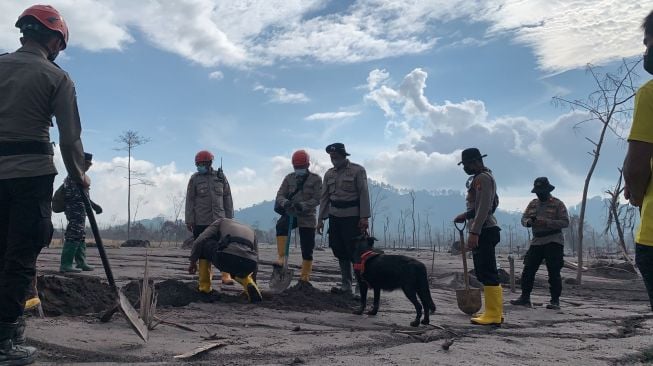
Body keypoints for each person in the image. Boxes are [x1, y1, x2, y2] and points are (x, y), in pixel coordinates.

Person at [0, 5, 87, 365]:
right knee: (20, 257)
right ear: (54, 39)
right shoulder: (57, 78)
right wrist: (79, 175)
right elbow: (69, 140)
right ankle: (5, 340)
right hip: (30, 175)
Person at [623, 9, 653, 312]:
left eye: (647, 43)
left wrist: (637, 194)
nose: (645, 52)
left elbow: (636, 167)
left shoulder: (650, 92)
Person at [453, 148, 502, 325]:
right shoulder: (483, 177)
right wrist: (466, 215)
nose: (464, 168)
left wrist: (474, 232)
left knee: (487, 271)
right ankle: (494, 311)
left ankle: (493, 314)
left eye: (465, 164)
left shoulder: (482, 178)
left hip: (485, 230)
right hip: (484, 228)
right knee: (485, 271)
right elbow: (481, 206)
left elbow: (484, 208)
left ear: (474, 162)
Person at [317, 143, 370, 295]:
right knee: (339, 250)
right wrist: (320, 220)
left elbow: (364, 194)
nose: (334, 160)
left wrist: (364, 217)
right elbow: (324, 197)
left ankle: (361, 287)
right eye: (332, 158)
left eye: (336, 157)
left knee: (356, 252)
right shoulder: (329, 174)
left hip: (352, 217)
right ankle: (346, 285)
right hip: (335, 217)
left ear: (343, 155)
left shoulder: (357, 171)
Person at [510, 177, 569, 310]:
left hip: (553, 240)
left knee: (553, 271)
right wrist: (529, 222)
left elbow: (565, 222)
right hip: (537, 241)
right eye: (537, 192)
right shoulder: (533, 204)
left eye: (541, 191)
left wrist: (547, 222)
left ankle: (555, 300)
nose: (539, 194)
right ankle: (525, 297)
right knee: (528, 269)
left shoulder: (558, 204)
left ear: (548, 190)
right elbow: (523, 219)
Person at [185, 150, 234, 293]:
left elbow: (227, 198)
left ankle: (226, 275)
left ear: (209, 163)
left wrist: (230, 218)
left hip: (220, 220)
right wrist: (189, 220)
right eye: (198, 164)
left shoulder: (220, 177)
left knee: (224, 248)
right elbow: (190, 200)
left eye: (202, 164)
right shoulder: (194, 179)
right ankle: (205, 284)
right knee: (202, 253)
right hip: (201, 222)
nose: (200, 166)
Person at [274, 150, 322, 285]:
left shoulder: (316, 179)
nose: (299, 169)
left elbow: (318, 198)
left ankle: (304, 278)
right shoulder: (289, 178)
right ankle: (281, 257)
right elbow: (279, 196)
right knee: (281, 225)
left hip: (307, 216)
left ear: (307, 165)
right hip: (291, 213)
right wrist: (286, 203)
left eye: (301, 167)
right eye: (296, 167)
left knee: (307, 247)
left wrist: (304, 205)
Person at [188, 218, 262, 303]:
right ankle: (249, 282)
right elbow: (257, 258)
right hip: (249, 262)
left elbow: (199, 240)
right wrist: (254, 280)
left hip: (227, 257)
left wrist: (192, 262)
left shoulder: (221, 221)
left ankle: (205, 288)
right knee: (237, 267)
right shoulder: (251, 230)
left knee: (205, 244)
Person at [59, 152, 102, 273]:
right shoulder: (73, 176)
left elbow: (85, 196)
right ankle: (65, 264)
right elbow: (75, 196)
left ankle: (81, 262)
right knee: (73, 235)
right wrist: (90, 206)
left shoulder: (81, 177)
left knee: (81, 235)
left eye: (90, 164)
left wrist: (94, 206)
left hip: (81, 211)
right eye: (86, 164)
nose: (88, 166)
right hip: (74, 210)